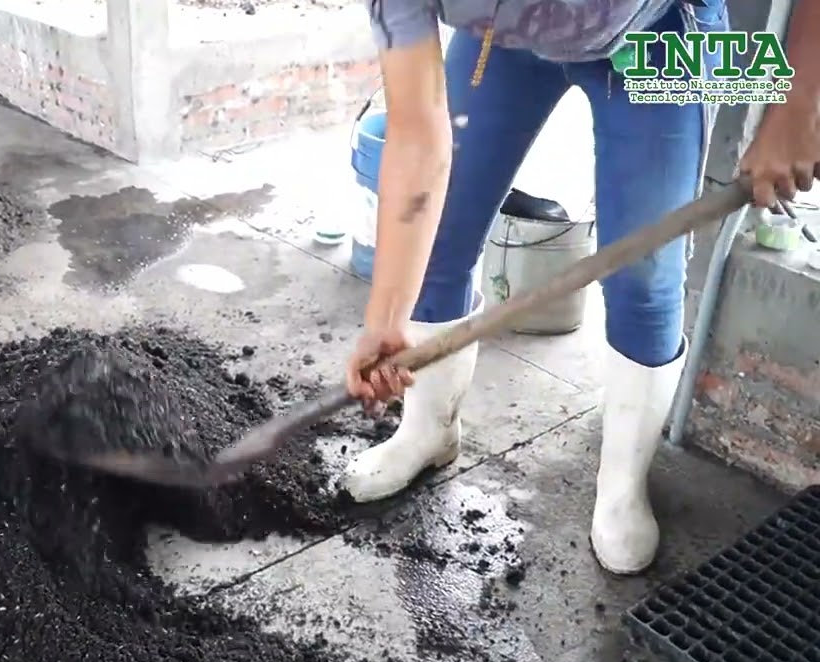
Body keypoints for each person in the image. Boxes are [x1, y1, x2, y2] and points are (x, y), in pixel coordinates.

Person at [342, 0, 820, 575]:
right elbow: (418, 138)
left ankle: (623, 482)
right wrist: (385, 318)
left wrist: (796, 106)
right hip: (507, 43)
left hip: (660, 30)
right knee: (437, 239)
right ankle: (427, 431)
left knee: (645, 277)